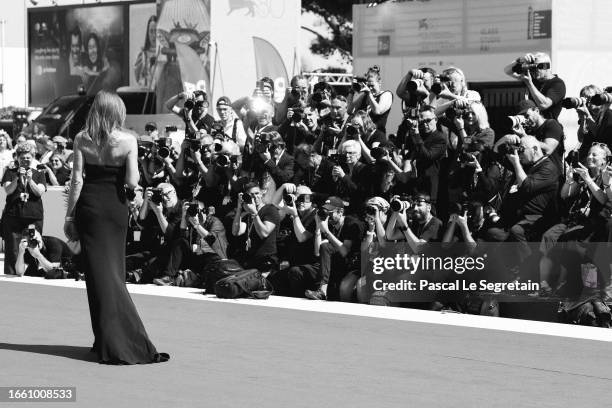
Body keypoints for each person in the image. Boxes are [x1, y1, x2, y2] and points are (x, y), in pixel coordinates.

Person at [63, 91, 169, 365]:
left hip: (90, 208)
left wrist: (70, 217)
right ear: (117, 112)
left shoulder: (81, 139)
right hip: (115, 207)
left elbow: (76, 181)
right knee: (112, 273)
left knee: (98, 276)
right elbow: (133, 182)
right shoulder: (128, 140)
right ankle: (116, 341)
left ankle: (107, 340)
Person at [1, 142, 47, 275]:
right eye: (22, 157)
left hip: (33, 216)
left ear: (32, 157)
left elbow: (39, 192)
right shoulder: (10, 172)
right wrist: (17, 178)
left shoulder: (39, 173)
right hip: (13, 216)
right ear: (17, 158)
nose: (25, 160)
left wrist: (30, 180)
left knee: (33, 247)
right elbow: (8, 190)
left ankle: (32, 274)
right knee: (12, 250)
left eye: (28, 157)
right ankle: (11, 275)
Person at [504, 52, 566, 120]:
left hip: (549, 126)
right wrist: (519, 60)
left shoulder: (558, 83)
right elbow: (507, 71)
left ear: (546, 66)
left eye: (538, 67)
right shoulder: (534, 79)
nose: (534, 71)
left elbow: (544, 105)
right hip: (533, 126)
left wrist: (529, 84)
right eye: (532, 67)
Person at [134, 15, 157, 87]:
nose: (154, 35)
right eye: (151, 31)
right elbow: (138, 79)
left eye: (156, 31)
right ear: (148, 33)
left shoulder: (164, 54)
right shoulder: (142, 54)